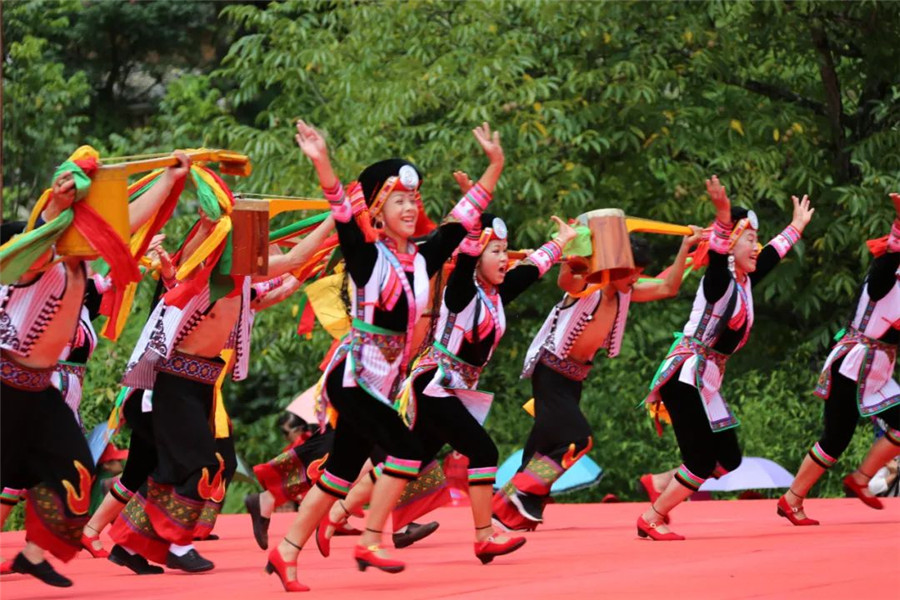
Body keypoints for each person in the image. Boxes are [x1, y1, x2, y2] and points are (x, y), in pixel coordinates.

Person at [264, 119, 502, 592]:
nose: (411, 208)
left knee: (339, 476)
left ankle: (287, 549)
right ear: (377, 208)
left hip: (381, 384)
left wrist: (494, 166)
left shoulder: (423, 258)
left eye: (413, 200)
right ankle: (372, 537)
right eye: (398, 200)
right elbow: (342, 212)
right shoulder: (367, 256)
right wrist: (322, 161)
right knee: (406, 450)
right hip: (353, 377)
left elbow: (463, 218)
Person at [108, 163, 335, 574]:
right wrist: (337, 212)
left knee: (176, 466)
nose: (254, 242)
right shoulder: (204, 274)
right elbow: (289, 254)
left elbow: (290, 272)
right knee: (201, 463)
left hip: (199, 383)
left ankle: (130, 542)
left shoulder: (240, 284)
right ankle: (177, 546)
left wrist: (332, 229)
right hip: (173, 380)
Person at [0, 151, 190, 586]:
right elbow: (47, 229)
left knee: (75, 470)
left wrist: (167, 180)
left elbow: (127, 226)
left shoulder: (77, 261)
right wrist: (55, 207)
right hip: (6, 385)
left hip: (39, 389)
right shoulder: (33, 258)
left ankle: (32, 555)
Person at [493, 218, 702, 532]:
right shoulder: (590, 285)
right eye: (631, 271)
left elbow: (668, 287)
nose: (636, 277)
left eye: (639, 272)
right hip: (550, 373)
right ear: (615, 266)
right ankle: (518, 496)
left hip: (573, 379)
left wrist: (686, 246)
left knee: (542, 449)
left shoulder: (626, 292)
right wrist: (575, 253)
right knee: (577, 439)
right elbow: (567, 281)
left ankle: (508, 514)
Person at [637, 176, 814, 540]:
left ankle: (661, 483)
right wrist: (721, 215)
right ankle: (652, 517)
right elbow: (717, 258)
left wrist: (796, 226)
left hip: (706, 380)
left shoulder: (745, 278)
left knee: (728, 458)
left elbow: (771, 255)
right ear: (731, 242)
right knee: (701, 461)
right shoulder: (718, 282)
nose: (757, 246)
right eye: (749, 238)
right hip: (685, 377)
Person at [778, 193, 898, 524]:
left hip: (876, 368)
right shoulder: (886, 273)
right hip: (856, 363)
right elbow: (883, 274)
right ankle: (801, 496)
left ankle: (849, 482)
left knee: (836, 437)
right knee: (835, 438)